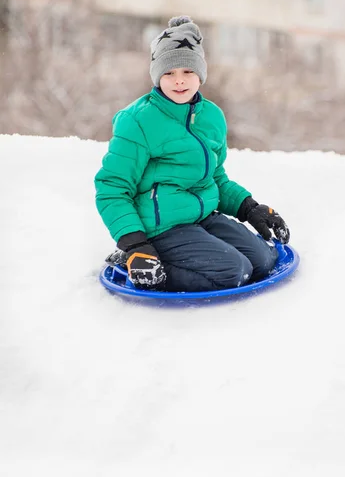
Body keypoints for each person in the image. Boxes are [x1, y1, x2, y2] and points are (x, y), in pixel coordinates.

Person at [95, 15, 290, 292]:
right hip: (160, 228)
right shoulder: (138, 120)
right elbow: (112, 188)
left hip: (203, 217)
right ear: (156, 75)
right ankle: (130, 262)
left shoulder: (211, 117)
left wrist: (249, 207)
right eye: (169, 73)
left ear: (200, 73)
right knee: (235, 272)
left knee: (263, 260)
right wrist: (135, 244)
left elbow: (216, 178)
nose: (179, 81)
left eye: (187, 71)